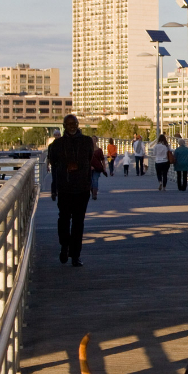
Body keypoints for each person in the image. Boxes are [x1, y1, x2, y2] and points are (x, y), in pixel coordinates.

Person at [47, 114, 94, 267]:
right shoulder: (56, 145)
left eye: (74, 123)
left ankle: (75, 255)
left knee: (79, 222)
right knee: (64, 220)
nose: (72, 126)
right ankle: (64, 246)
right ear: (64, 126)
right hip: (65, 187)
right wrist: (54, 188)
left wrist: (91, 184)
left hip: (82, 188)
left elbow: (89, 161)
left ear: (78, 124)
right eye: (69, 124)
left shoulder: (87, 141)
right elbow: (53, 166)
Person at [90, 135, 108, 200]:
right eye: (92, 140)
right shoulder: (88, 150)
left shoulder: (99, 150)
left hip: (97, 168)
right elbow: (86, 159)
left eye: (94, 140)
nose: (93, 141)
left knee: (95, 180)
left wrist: (104, 168)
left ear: (96, 141)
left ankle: (94, 194)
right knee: (90, 181)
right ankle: (92, 190)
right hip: (89, 168)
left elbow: (102, 159)